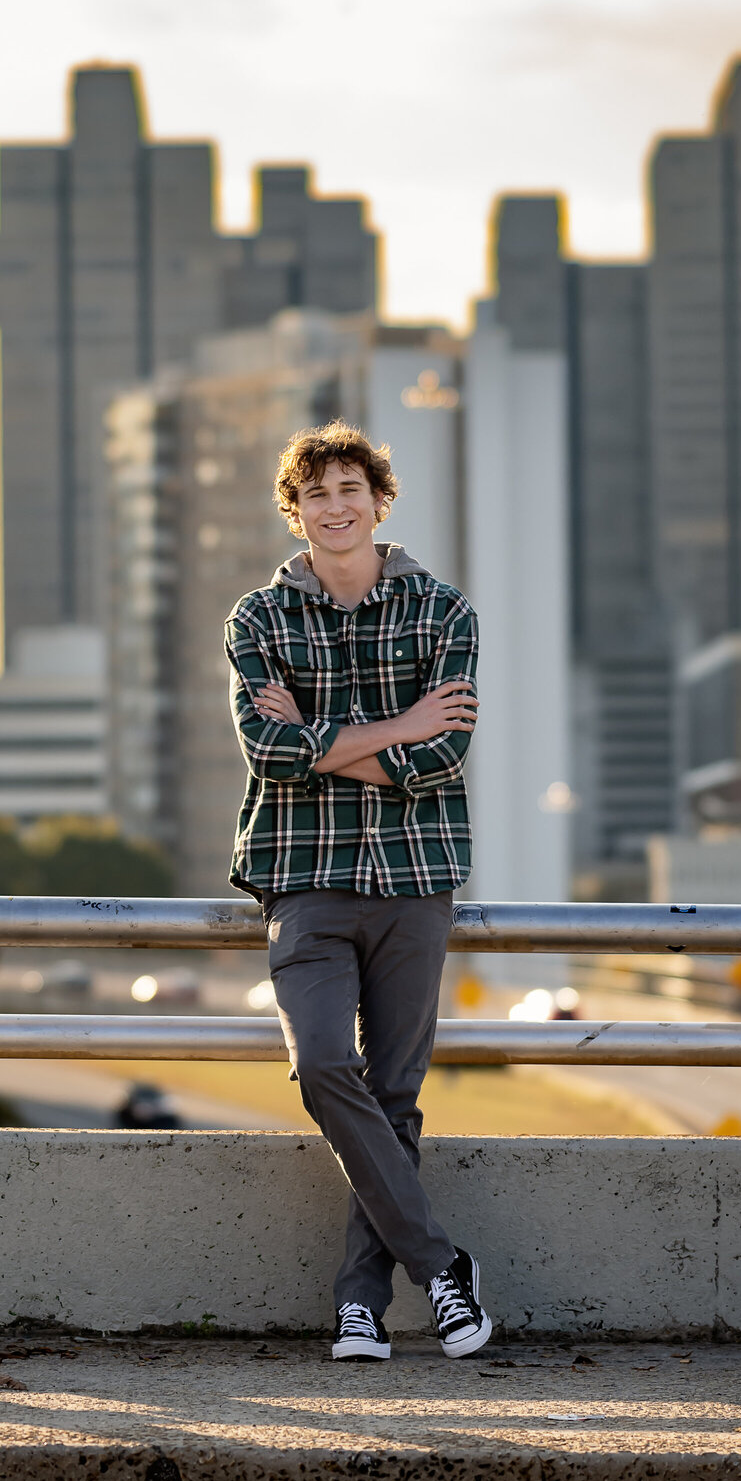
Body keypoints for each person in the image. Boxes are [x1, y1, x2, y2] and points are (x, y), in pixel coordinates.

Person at [225, 419, 489, 1363]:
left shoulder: (444, 611)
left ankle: (360, 1309)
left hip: (416, 879)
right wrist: (398, 724)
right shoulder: (258, 620)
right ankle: (442, 1267)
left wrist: (335, 737)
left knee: (398, 1094)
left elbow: (444, 755)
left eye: (351, 491)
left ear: (379, 501)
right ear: (295, 516)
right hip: (303, 880)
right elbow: (270, 752)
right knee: (326, 1066)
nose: (335, 508)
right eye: (315, 496)